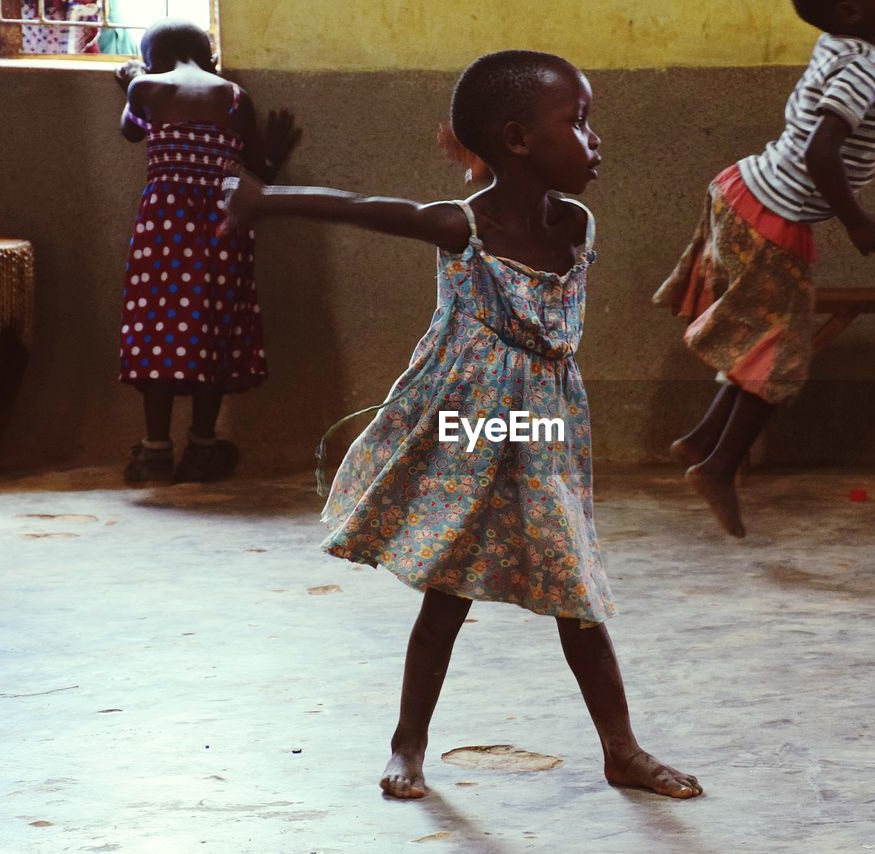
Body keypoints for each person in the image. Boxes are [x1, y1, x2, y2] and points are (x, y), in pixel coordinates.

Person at [219, 50, 703, 800]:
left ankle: (622, 751)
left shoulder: (574, 220)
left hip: (545, 432)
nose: (593, 139)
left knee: (574, 586)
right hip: (473, 431)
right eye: (576, 123)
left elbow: (514, 198)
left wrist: (481, 156)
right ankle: (406, 747)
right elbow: (361, 207)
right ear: (516, 139)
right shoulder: (460, 227)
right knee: (449, 588)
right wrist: (262, 201)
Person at [653, 0, 875, 537]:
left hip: (746, 194)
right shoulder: (861, 61)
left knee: (762, 339)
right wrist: (856, 221)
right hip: (773, 218)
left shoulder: (851, 50)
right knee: (780, 358)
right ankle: (716, 467)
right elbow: (821, 151)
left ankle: (701, 437)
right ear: (856, 12)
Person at [116, 18, 300, 482]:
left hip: (164, 226)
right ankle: (202, 445)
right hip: (224, 222)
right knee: (213, 325)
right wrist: (276, 155)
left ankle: (156, 449)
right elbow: (259, 173)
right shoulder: (235, 96)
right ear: (211, 57)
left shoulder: (144, 88)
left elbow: (131, 132)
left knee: (156, 325)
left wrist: (129, 85)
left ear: (150, 59)